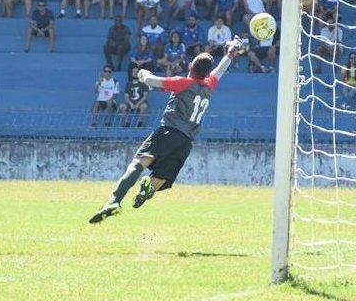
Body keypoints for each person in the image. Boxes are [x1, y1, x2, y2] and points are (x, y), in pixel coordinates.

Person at [88, 36, 243, 223]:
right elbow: (220, 70)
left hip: (169, 132)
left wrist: (142, 73)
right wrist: (230, 54)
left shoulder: (183, 83)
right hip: (186, 143)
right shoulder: (209, 85)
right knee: (161, 176)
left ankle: (114, 201)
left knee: (138, 163)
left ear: (191, 66)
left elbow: (152, 81)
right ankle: (149, 189)